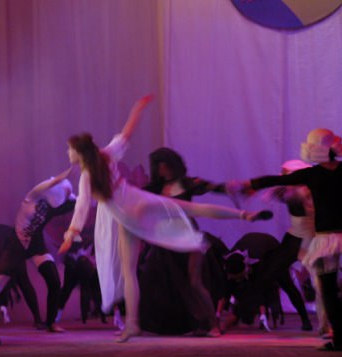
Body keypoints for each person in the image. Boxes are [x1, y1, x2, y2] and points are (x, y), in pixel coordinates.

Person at [58, 94, 273, 343]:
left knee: (129, 273)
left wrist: (71, 234)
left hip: (127, 217)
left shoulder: (88, 175)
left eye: (70, 149)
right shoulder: (105, 156)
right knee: (190, 209)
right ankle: (244, 215)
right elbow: (126, 134)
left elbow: (82, 206)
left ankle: (132, 325)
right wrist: (138, 108)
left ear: (79, 153)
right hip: (136, 205)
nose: (68, 153)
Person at [233, 128, 342, 351]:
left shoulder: (312, 175)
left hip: (327, 238)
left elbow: (276, 179)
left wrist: (250, 184)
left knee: (329, 290)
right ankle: (340, 335)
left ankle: (339, 339)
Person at [138, 147, 232, 337]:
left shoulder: (187, 183)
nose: (161, 169)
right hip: (166, 241)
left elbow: (212, 187)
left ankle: (213, 324)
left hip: (189, 238)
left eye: (163, 165)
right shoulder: (154, 188)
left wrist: (232, 188)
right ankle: (168, 324)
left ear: (171, 164)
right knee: (158, 279)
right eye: (158, 166)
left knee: (195, 282)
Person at [0, 169, 77, 333]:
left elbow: (78, 202)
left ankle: (51, 322)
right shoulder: (33, 196)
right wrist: (66, 173)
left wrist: (74, 190)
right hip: (17, 245)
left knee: (54, 280)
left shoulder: (54, 205)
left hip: (36, 245)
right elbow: (49, 184)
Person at [260, 160, 316, 332]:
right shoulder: (294, 191)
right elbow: (277, 191)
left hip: (304, 240)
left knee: (316, 282)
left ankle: (315, 319)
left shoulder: (304, 193)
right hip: (293, 239)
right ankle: (304, 319)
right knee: (276, 275)